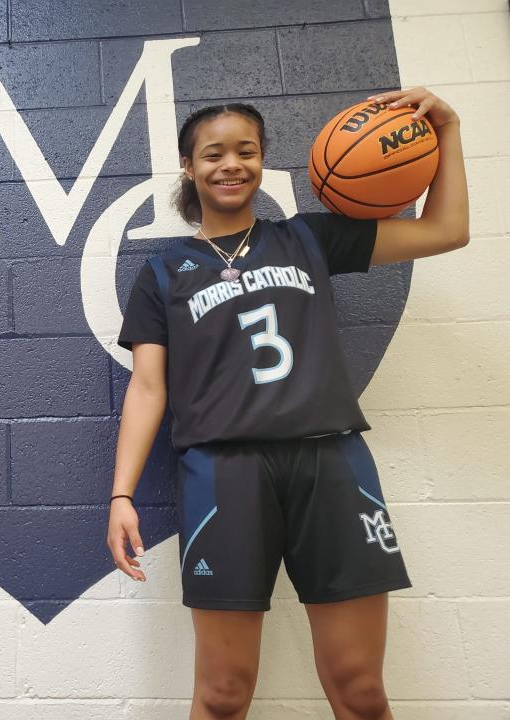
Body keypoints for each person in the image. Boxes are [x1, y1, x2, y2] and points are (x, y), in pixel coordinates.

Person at [107, 88, 468, 720]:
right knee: (221, 696)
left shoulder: (310, 238)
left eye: (246, 151)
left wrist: (451, 130)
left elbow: (448, 230)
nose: (231, 164)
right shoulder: (163, 271)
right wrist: (121, 495)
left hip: (330, 462)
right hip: (224, 473)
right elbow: (147, 387)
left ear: (263, 161)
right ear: (189, 168)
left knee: (360, 687)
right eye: (213, 153)